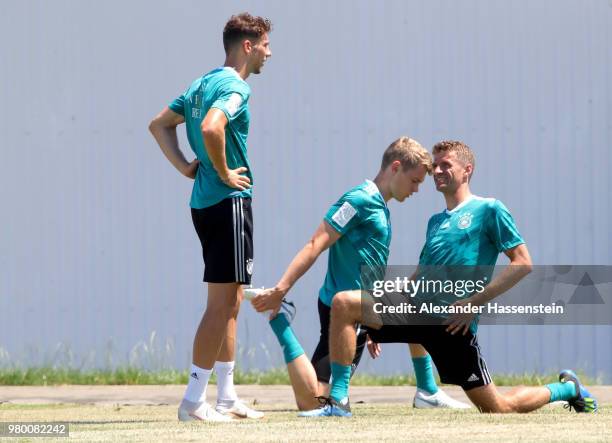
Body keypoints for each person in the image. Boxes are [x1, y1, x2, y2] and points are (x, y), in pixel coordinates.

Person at [315, 140, 598, 417]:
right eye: (434, 166)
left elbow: (522, 263)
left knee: (498, 408)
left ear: (467, 170)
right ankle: (339, 403)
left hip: (453, 327)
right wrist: (371, 316)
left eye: (445, 165)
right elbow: (420, 276)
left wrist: (474, 303)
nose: (436, 171)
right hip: (416, 312)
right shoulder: (435, 221)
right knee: (346, 303)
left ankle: (568, 389)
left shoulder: (490, 210)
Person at [252, 137, 466, 411]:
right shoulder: (358, 200)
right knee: (311, 401)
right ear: (395, 168)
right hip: (340, 310)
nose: (416, 190)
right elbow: (315, 243)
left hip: (361, 310)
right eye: (414, 181)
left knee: (416, 299)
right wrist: (281, 289)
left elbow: (368, 263)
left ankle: (426, 389)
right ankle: (281, 322)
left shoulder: (380, 206)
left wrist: (374, 322)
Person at [148, 12, 272, 422]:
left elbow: (159, 125)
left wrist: (187, 165)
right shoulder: (235, 86)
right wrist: (221, 171)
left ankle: (226, 397)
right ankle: (192, 402)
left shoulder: (202, 82)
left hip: (205, 204)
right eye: (266, 45)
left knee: (232, 302)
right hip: (228, 202)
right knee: (220, 307)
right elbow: (214, 127)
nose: (270, 54)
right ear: (248, 46)